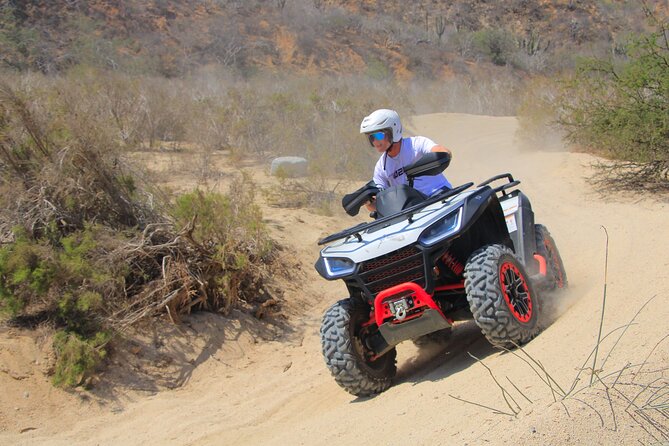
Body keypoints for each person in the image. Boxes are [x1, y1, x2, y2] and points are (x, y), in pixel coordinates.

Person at [360, 109, 452, 211]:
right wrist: (368, 202)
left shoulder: (416, 144)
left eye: (378, 135)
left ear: (393, 131)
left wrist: (423, 165)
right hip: (413, 212)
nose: (375, 141)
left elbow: (444, 152)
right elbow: (379, 204)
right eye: (371, 138)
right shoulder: (381, 167)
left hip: (441, 199)